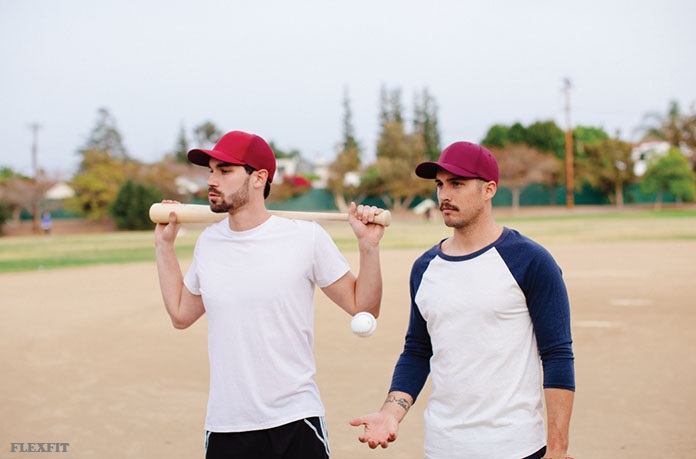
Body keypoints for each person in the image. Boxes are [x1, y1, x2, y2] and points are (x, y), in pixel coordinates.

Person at [154, 130, 386, 459]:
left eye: (225, 171)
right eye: (211, 170)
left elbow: (364, 306)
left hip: (294, 421)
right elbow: (180, 314)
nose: (212, 180)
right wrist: (164, 246)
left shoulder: (306, 238)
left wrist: (368, 247)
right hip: (226, 426)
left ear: (258, 178)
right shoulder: (209, 242)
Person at [350, 141, 575, 459]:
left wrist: (557, 448)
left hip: (516, 447)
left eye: (457, 183)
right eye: (440, 185)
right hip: (443, 447)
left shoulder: (531, 261)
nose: (444, 195)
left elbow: (557, 356)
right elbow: (417, 350)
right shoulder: (425, 268)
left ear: (489, 189)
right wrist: (391, 413)